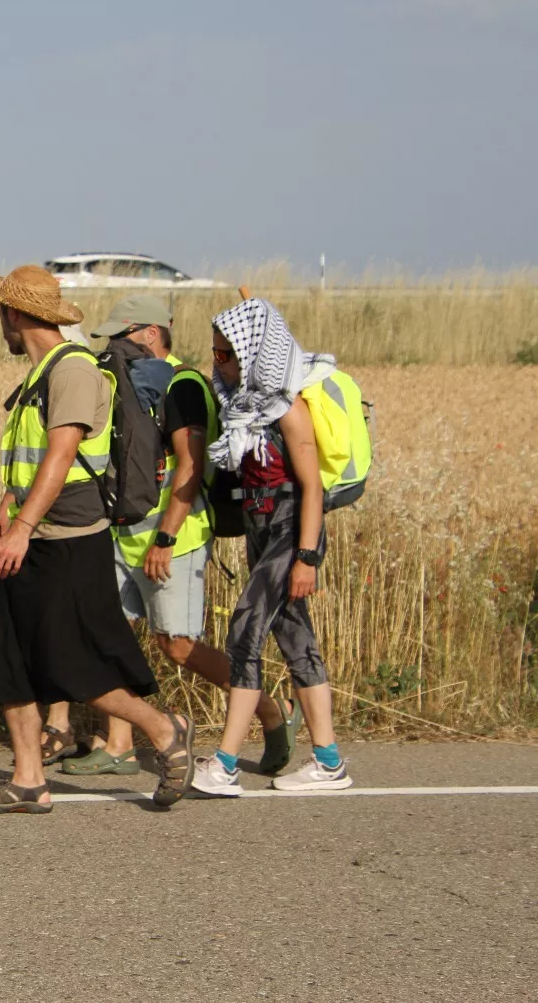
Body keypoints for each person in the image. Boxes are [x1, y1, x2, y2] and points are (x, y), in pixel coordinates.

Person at [0, 267, 194, 814]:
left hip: (65, 539)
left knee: (72, 666)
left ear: (16, 315)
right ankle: (28, 781)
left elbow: (63, 456)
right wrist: (9, 504)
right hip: (36, 532)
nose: (0, 323)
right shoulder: (43, 373)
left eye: (1, 313)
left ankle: (163, 731)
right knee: (12, 661)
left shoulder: (72, 371)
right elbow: (34, 455)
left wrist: (20, 528)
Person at [56, 296, 300, 778]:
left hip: (174, 535)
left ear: (151, 333)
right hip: (122, 531)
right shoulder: (125, 381)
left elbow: (189, 466)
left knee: (177, 645)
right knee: (109, 633)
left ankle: (273, 712)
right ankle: (120, 745)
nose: (115, 348)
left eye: (122, 337)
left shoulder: (182, 383)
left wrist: (165, 538)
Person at [190, 296, 353, 795]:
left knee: (244, 633)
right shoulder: (247, 407)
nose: (219, 364)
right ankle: (328, 763)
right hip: (262, 528)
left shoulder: (290, 408)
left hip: (288, 528)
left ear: (253, 353)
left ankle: (225, 764)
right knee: (296, 640)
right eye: (214, 354)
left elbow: (312, 489)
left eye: (225, 355)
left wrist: (306, 557)